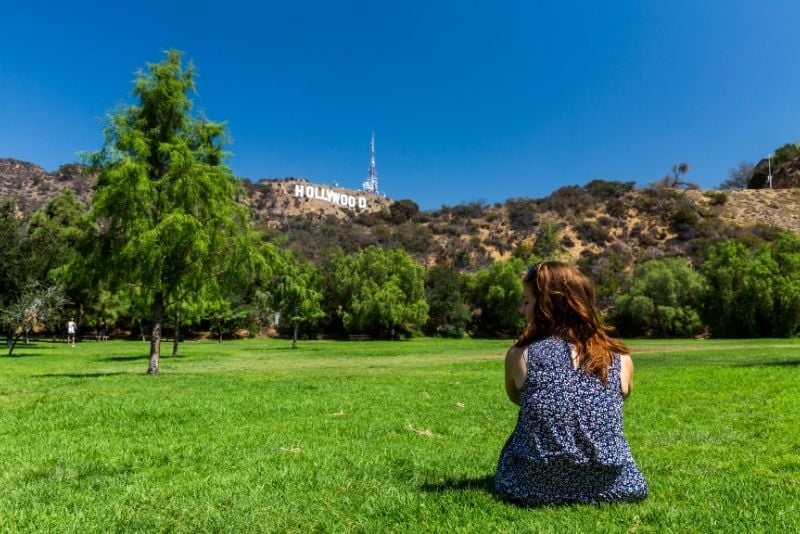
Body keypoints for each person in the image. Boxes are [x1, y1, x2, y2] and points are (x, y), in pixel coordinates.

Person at [495, 261, 647, 505]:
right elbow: (623, 396)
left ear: (546, 306)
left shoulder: (519, 355)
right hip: (612, 485)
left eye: (526, 302)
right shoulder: (620, 359)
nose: (523, 311)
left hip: (533, 485)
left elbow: (516, 398)